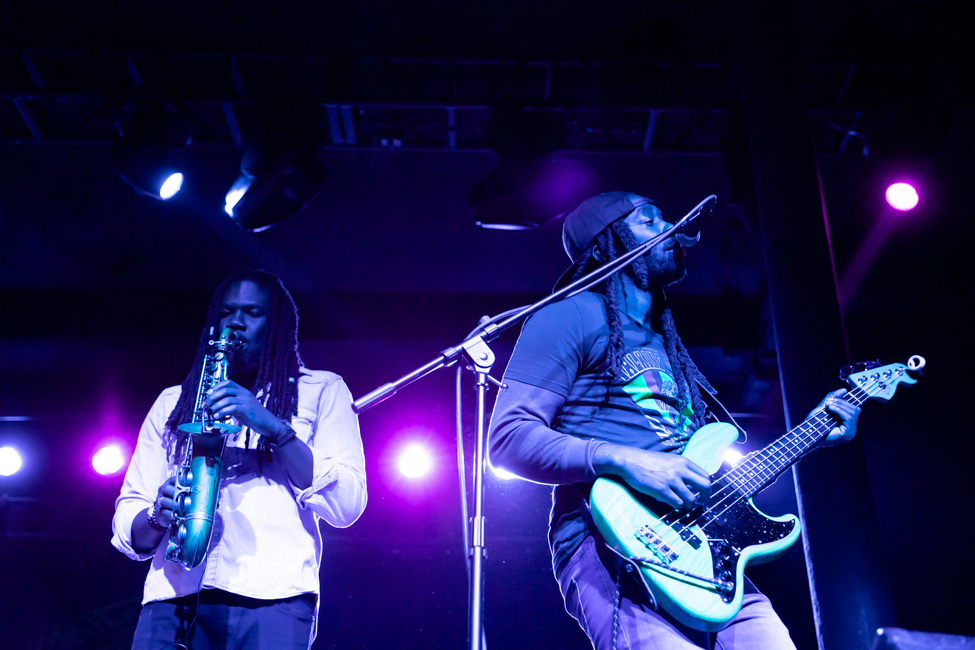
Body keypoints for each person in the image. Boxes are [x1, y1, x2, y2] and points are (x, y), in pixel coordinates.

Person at [488, 192, 861, 649]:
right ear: (612, 240)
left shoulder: (666, 341)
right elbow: (507, 440)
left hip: (706, 552)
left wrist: (814, 433)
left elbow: (698, 466)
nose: (669, 229)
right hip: (614, 543)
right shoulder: (568, 316)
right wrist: (629, 462)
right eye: (650, 221)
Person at [111, 268, 367, 649]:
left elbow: (347, 504)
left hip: (273, 600)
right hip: (173, 598)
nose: (236, 322)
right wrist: (156, 515)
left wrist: (275, 428)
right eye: (227, 312)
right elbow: (129, 514)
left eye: (252, 312)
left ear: (276, 324)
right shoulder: (172, 402)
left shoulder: (322, 390)